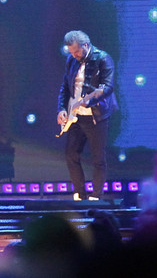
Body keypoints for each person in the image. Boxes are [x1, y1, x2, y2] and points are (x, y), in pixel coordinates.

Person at [56, 30, 117, 200]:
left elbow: (108, 87)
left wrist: (88, 101)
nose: (74, 55)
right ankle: (79, 193)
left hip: (95, 116)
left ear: (86, 45)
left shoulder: (103, 59)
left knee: (98, 157)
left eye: (77, 52)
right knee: (71, 154)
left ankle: (96, 195)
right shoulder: (71, 60)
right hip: (75, 116)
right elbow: (65, 87)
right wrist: (61, 108)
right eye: (71, 52)